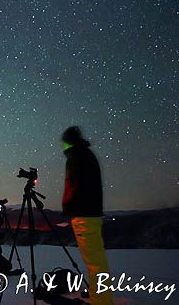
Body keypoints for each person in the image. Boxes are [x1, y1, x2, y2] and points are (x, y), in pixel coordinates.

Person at [61, 126, 114, 305]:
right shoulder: (87, 154)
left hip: (83, 215)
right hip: (92, 213)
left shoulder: (75, 158)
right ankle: (98, 294)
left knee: (94, 262)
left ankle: (101, 300)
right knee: (96, 258)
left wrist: (66, 209)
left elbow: (72, 187)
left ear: (69, 142)